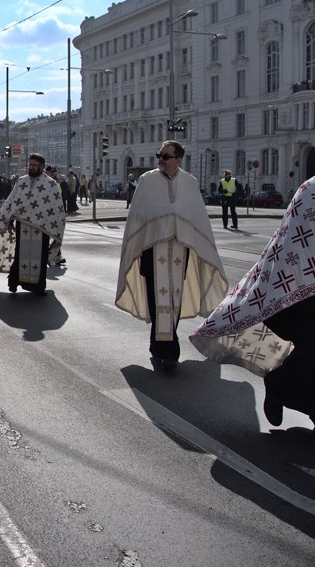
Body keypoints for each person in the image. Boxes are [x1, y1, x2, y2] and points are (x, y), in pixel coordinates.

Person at [189, 177, 315, 426]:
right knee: (311, 349)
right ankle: (279, 385)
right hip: (294, 295)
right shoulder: (310, 189)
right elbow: (295, 245)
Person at [115, 141, 228, 373]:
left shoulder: (189, 183)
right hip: (151, 251)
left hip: (179, 252)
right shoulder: (147, 181)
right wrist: (160, 220)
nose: (161, 160)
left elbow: (198, 218)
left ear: (178, 159)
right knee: (157, 303)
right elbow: (137, 215)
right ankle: (169, 352)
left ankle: (159, 348)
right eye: (159, 155)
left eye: (166, 156)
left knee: (173, 302)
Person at [0, 153, 66, 295]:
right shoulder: (22, 181)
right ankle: (14, 282)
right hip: (23, 225)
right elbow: (12, 202)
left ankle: (38, 287)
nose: (31, 168)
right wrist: (9, 220)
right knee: (20, 254)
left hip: (42, 228)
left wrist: (55, 227)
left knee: (40, 256)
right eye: (30, 165)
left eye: (34, 165)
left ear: (41, 167)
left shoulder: (50, 184)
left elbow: (57, 208)